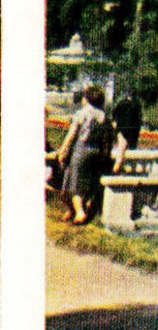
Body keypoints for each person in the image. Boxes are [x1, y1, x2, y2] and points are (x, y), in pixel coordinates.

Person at [56, 85, 114, 225]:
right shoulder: (103, 116)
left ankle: (79, 212)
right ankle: (74, 210)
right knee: (87, 182)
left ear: (87, 99)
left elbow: (71, 135)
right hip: (96, 152)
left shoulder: (82, 113)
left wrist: (62, 150)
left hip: (81, 150)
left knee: (74, 181)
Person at [111, 88, 143, 172]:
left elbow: (114, 115)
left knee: (121, 151)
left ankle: (116, 169)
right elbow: (139, 119)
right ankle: (130, 169)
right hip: (133, 132)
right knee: (131, 150)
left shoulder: (121, 103)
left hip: (122, 131)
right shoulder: (137, 105)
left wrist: (115, 125)